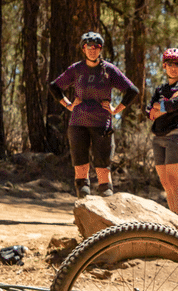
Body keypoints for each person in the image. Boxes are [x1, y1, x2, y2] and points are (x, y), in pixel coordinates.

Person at [50, 32, 139, 197]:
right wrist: (68, 105)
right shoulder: (76, 69)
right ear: (83, 49)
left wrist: (116, 110)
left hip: (102, 125)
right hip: (78, 125)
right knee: (81, 169)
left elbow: (132, 91)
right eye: (89, 46)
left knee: (103, 169)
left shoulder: (109, 70)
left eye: (96, 47)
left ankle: (107, 208)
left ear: (100, 49)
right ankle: (84, 206)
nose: (92, 50)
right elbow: (54, 87)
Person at [145, 48, 178, 216]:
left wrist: (160, 107)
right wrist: (164, 107)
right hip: (158, 138)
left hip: (177, 136)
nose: (174, 67)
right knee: (166, 185)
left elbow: (177, 103)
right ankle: (174, 223)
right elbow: (148, 111)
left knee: (175, 183)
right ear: (164, 66)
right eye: (170, 64)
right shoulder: (160, 89)